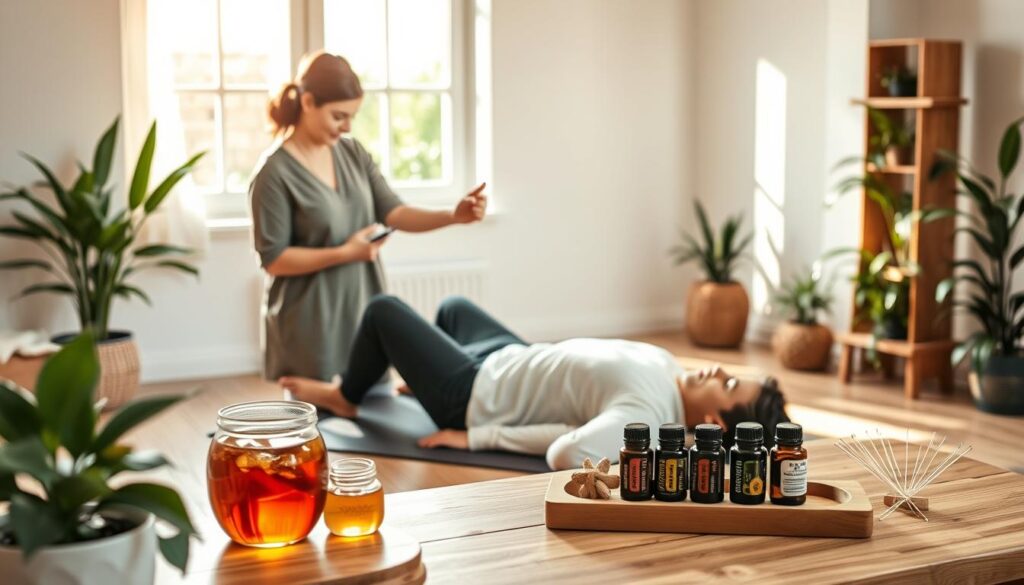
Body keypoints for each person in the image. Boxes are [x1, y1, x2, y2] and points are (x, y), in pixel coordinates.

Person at [284, 295, 791, 471]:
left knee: (383, 312)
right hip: (510, 358)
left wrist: (477, 438)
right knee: (454, 308)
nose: (720, 372)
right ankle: (421, 381)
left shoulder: (644, 416)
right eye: (732, 373)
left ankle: (345, 397)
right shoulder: (671, 374)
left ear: (709, 423)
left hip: (474, 397)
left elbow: (565, 454)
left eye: (728, 387)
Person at [250, 51, 487, 388]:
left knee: (375, 421)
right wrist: (346, 253)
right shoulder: (273, 174)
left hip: (361, 311)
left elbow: (395, 212)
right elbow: (274, 260)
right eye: (338, 116)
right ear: (307, 102)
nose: (346, 126)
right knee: (315, 433)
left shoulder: (353, 153)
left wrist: (453, 216)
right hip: (308, 326)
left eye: (352, 116)